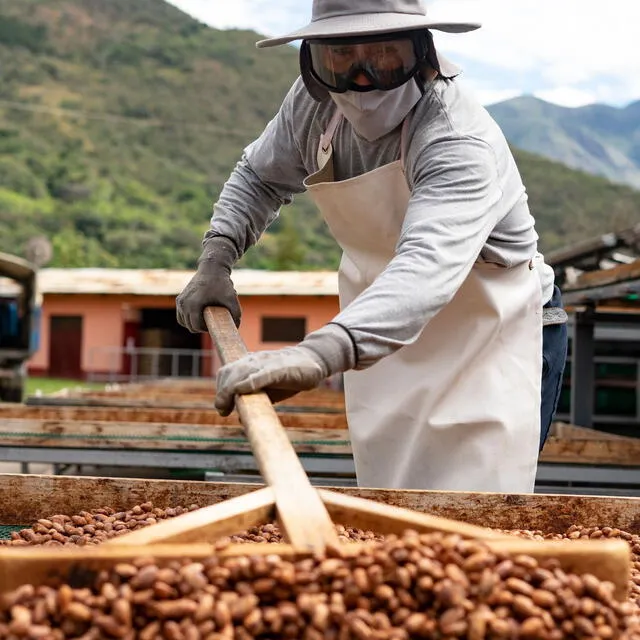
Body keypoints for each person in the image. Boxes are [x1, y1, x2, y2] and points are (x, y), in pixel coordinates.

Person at [176, 0, 568, 493]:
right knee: (392, 497)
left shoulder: (455, 137)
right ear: (314, 65)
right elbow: (259, 176)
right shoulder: (314, 105)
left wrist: (320, 353)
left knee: (475, 505)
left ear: (422, 52)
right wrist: (217, 255)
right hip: (380, 332)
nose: (361, 80)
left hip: (490, 333)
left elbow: (426, 267)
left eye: (384, 55)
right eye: (341, 59)